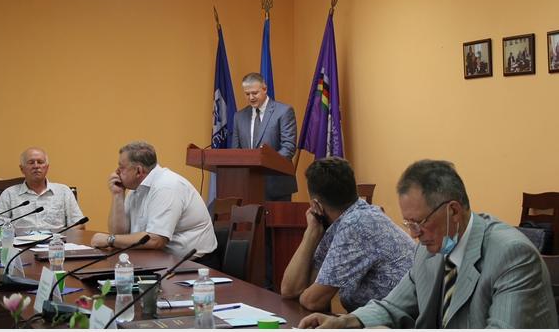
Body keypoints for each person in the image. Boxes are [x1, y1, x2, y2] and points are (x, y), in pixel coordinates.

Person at [298, 159, 557, 329]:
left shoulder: (512, 255)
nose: (414, 235)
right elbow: (393, 305)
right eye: (409, 223)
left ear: (453, 211)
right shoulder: (430, 249)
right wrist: (345, 322)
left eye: (419, 223)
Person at [281, 157, 415, 313]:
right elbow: (290, 290)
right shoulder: (350, 217)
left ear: (316, 205)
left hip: (405, 321)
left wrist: (311, 232)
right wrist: (311, 233)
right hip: (382, 318)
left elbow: (312, 301)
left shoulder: (356, 223)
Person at [91, 141, 218, 266]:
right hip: (157, 261)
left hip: (194, 266)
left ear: (138, 171)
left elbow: (156, 240)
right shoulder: (136, 189)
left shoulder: (166, 186)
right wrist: (118, 195)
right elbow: (120, 235)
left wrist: (109, 240)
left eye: (121, 167)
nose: (117, 172)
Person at [231, 72, 297, 201]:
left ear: (265, 89)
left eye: (254, 93)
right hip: (248, 185)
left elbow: (288, 147)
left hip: (276, 186)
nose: (251, 97)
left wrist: (263, 165)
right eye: (247, 94)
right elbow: (236, 150)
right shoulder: (239, 116)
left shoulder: (284, 111)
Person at [0, 147, 84, 230]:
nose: (36, 166)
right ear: (22, 169)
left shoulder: (63, 191)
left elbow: (79, 224)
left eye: (40, 162)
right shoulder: (9, 194)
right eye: (31, 162)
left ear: (47, 167)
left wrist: (63, 237)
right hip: (20, 241)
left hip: (56, 240)